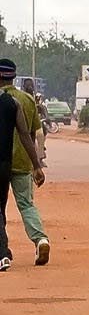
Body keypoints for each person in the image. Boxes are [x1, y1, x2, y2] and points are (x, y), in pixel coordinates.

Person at [1, 59, 50, 268]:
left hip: (2, 161)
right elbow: (34, 133)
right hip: (22, 160)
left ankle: (2, 250)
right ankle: (40, 239)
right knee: (27, 204)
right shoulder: (27, 101)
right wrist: (37, 163)